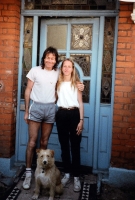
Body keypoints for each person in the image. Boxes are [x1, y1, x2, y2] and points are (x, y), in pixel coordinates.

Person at [23, 47, 84, 190]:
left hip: (57, 111)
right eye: (47, 57)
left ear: (56, 61)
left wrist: (80, 85)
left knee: (48, 142)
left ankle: (49, 173)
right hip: (44, 109)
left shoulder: (65, 76)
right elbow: (28, 90)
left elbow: (77, 93)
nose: (50, 60)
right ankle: (28, 174)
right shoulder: (39, 71)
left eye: (53, 58)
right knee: (34, 143)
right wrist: (26, 110)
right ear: (44, 58)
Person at [55, 58, 84, 192]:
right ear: (61, 68)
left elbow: (80, 103)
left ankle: (76, 177)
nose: (66, 68)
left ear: (73, 69)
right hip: (61, 115)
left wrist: (81, 120)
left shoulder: (77, 84)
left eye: (69, 66)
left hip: (74, 114)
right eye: (64, 66)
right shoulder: (57, 83)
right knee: (64, 146)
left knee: (75, 146)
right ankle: (67, 174)